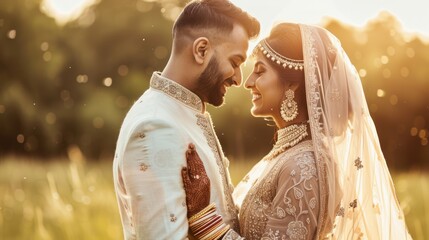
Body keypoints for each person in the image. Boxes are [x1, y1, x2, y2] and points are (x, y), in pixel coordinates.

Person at [181, 23, 412, 239]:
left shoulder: (304, 166)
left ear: (292, 84)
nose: (248, 82)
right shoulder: (287, 156)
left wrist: (204, 217)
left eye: (260, 71)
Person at [112, 0, 260, 239]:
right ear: (201, 50)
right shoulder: (155, 126)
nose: (238, 79)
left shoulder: (181, 114)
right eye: (234, 63)